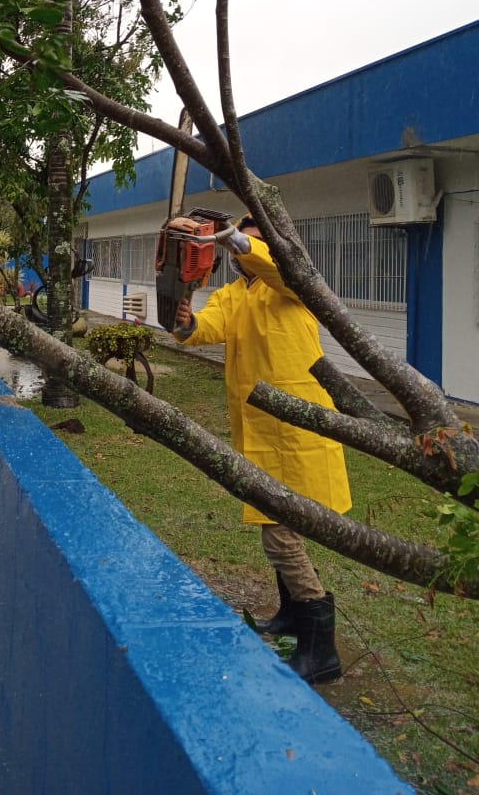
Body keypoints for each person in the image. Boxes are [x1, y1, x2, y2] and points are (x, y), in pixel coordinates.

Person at [173, 215, 351, 684]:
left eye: (248, 246)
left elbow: (277, 268)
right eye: (236, 247)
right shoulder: (235, 295)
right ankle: (293, 615)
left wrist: (241, 241)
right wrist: (186, 321)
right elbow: (207, 328)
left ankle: (321, 648)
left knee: (279, 531)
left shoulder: (294, 287)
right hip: (260, 432)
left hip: (298, 432)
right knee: (276, 523)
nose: (239, 254)